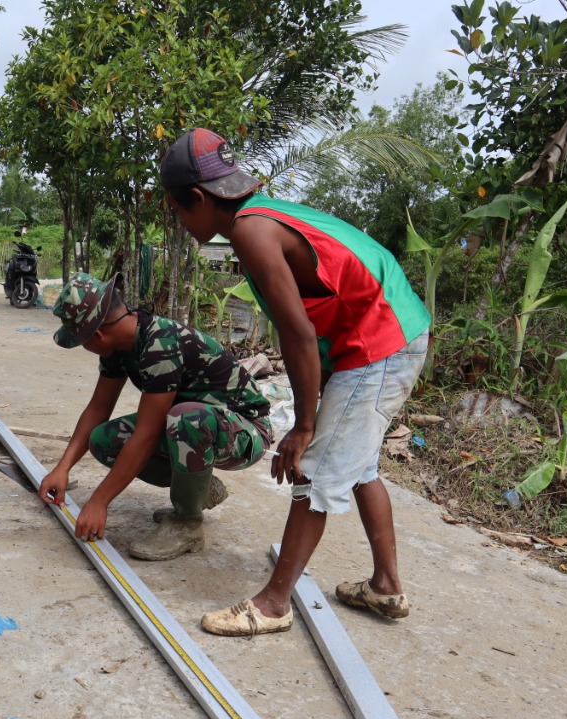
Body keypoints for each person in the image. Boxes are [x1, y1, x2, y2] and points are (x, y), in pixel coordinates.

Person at [160, 128, 431, 637]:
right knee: (361, 465)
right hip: (388, 332)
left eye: (177, 210)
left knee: (313, 472)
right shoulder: (263, 215)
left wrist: (304, 426)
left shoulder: (250, 231)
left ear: (197, 197)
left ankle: (273, 604)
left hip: (379, 341)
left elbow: (298, 334)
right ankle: (386, 585)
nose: (180, 221)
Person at [39, 273, 273, 561]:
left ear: (96, 335)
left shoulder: (160, 344)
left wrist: (99, 501)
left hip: (247, 431)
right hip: (201, 426)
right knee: (104, 440)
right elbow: (98, 408)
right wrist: (62, 468)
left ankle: (187, 524)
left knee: (185, 418)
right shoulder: (120, 347)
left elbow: (147, 435)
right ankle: (199, 491)